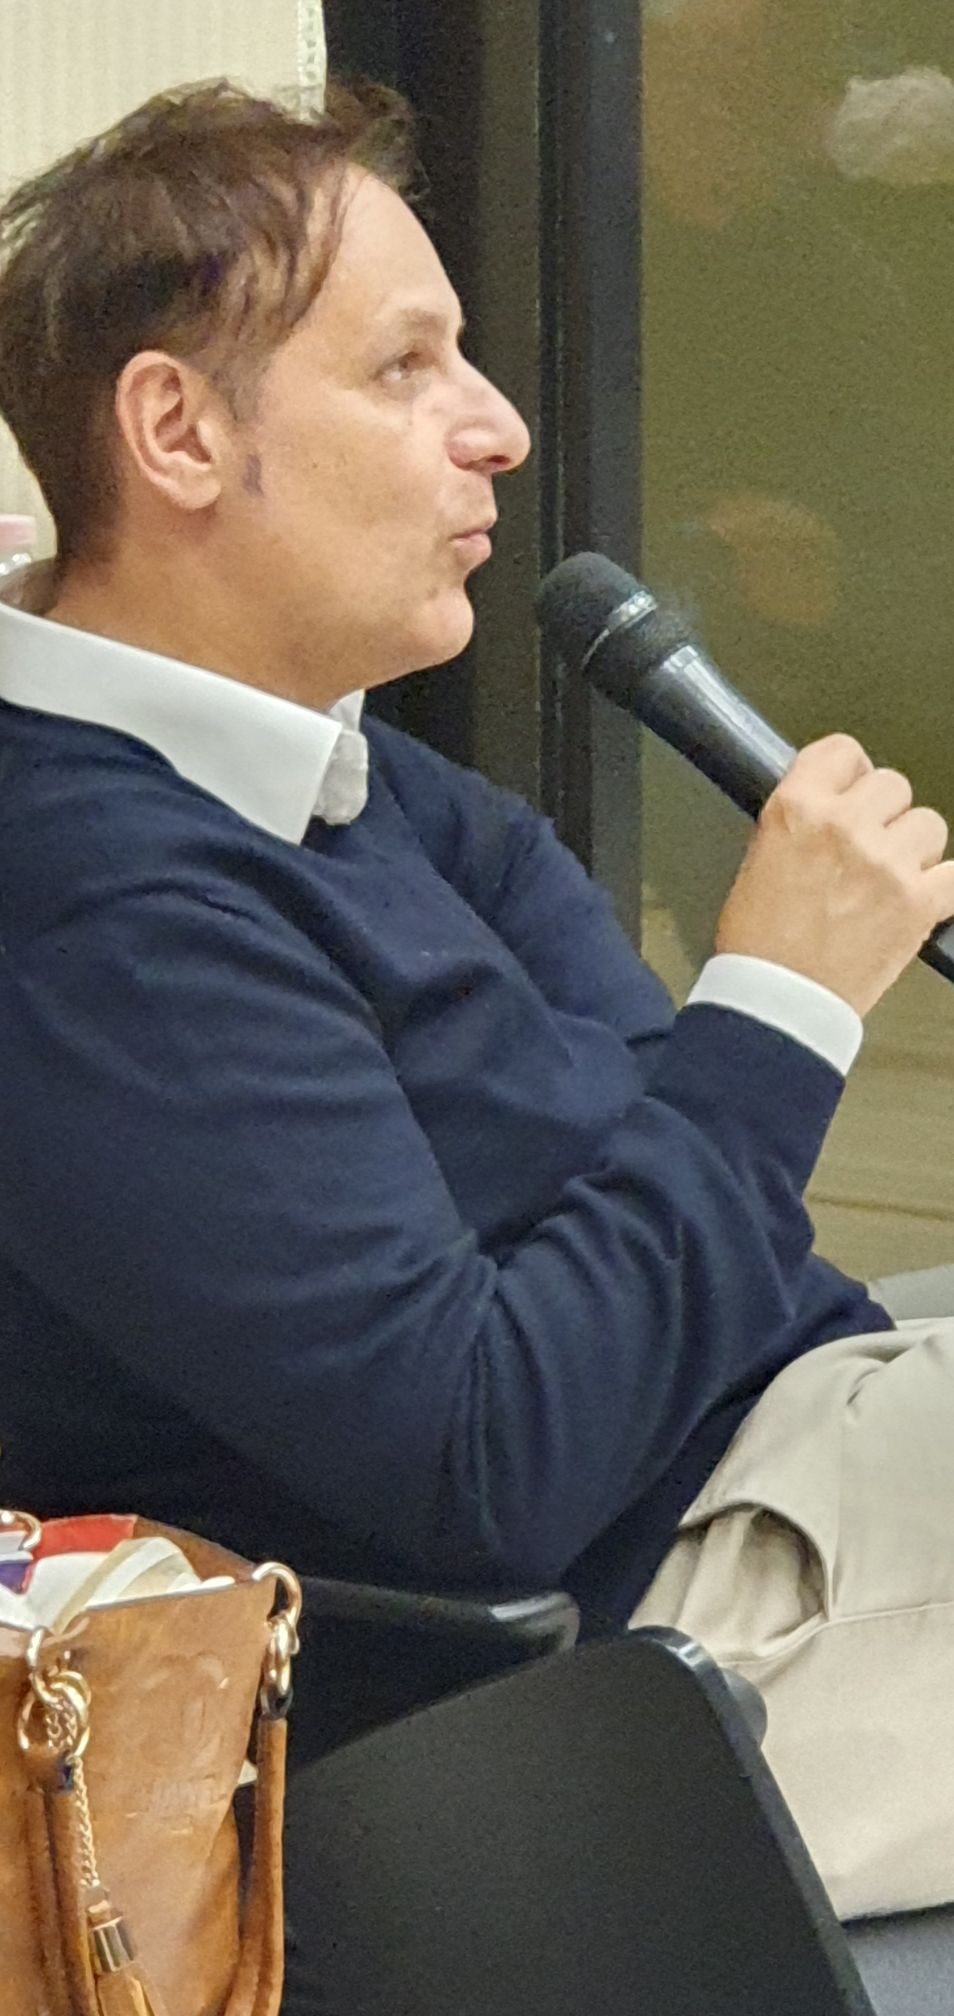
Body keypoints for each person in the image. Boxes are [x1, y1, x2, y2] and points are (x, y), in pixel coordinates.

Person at [0, 78, 953, 1933]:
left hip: (785, 1458)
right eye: (404, 367)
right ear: (177, 432)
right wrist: (775, 1003)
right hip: (629, 1676)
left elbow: (695, 1219)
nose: (499, 427)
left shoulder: (360, 787)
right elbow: (486, 1461)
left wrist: (693, 1135)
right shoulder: (87, 897)